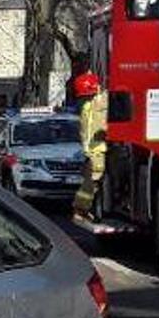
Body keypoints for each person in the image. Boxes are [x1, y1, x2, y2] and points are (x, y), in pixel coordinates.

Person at [70, 70, 109, 220]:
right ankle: (81, 210)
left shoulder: (95, 104)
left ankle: (81, 210)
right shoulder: (92, 105)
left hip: (97, 150)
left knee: (91, 183)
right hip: (95, 151)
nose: (84, 99)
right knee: (91, 182)